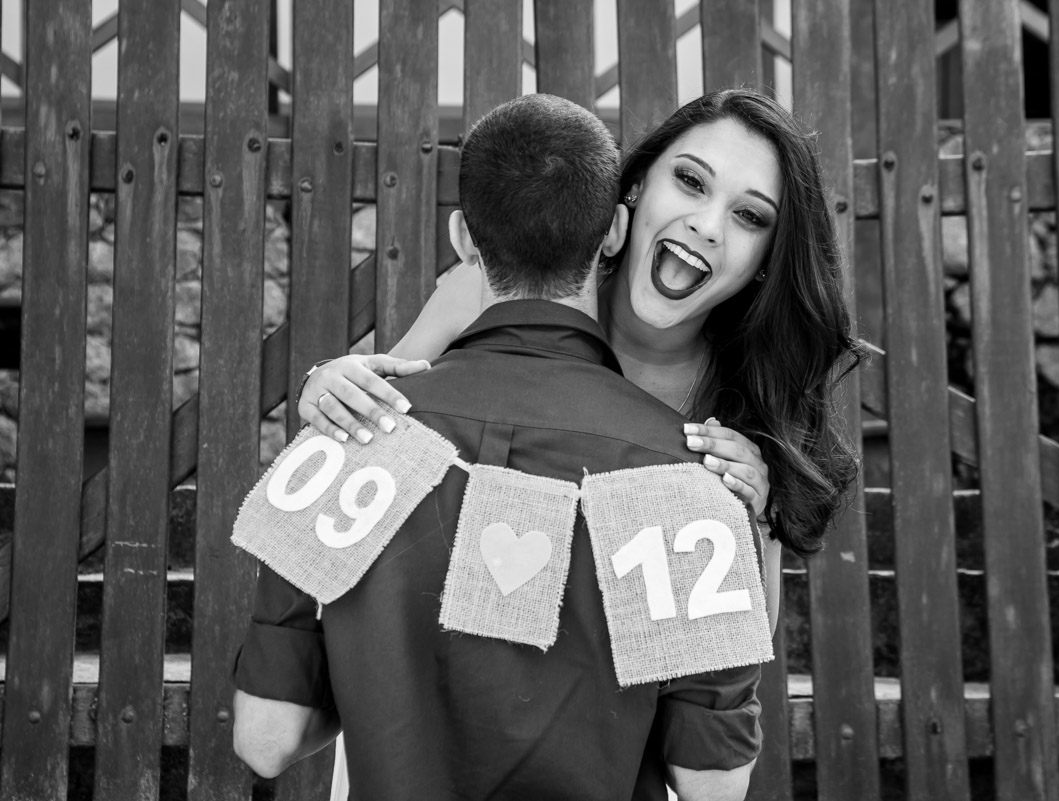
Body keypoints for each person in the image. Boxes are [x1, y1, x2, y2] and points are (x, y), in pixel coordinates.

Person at [232, 93, 764, 801]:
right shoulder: (695, 480)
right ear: (613, 233)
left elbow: (265, 741)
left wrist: (382, 684)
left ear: (461, 238)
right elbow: (714, 787)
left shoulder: (353, 439)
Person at [300, 89, 866, 616]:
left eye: (750, 216)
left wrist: (756, 514)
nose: (708, 225)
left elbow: (743, 648)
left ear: (768, 257)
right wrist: (330, 383)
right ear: (634, 190)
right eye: (691, 181)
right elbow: (374, 426)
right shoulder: (490, 292)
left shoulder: (747, 397)